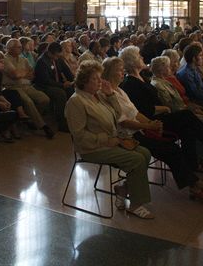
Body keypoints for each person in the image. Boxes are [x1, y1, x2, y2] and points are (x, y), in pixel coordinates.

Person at [102, 57, 203, 201]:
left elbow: (136, 113)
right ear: (109, 73)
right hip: (128, 136)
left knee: (181, 134)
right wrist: (148, 126)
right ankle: (197, 183)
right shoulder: (108, 94)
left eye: (123, 70)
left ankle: (195, 185)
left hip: (140, 130)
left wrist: (152, 124)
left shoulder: (120, 91)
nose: (123, 73)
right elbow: (123, 122)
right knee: (172, 149)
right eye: (119, 71)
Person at [64, 60, 154, 219]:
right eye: (95, 79)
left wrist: (111, 95)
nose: (100, 81)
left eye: (100, 77)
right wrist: (106, 139)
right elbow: (79, 136)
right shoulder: (76, 101)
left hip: (112, 142)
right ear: (84, 81)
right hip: (92, 149)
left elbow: (119, 115)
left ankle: (124, 188)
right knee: (137, 159)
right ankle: (135, 204)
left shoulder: (98, 95)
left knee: (145, 153)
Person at [2, 39, 54, 138]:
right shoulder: (5, 59)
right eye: (18, 47)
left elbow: (32, 74)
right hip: (13, 87)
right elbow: (15, 75)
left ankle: (30, 119)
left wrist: (21, 74)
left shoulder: (23, 59)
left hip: (26, 85)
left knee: (44, 99)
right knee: (28, 102)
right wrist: (22, 73)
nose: (21, 48)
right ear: (10, 49)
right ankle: (43, 126)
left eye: (20, 47)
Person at [33, 42, 74, 132]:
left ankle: (71, 117)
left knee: (71, 89)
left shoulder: (58, 58)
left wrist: (73, 81)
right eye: (56, 56)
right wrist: (62, 85)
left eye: (59, 56)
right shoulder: (42, 61)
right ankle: (61, 123)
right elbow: (45, 80)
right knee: (60, 93)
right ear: (49, 52)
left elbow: (67, 72)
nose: (57, 58)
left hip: (56, 83)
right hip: (43, 86)